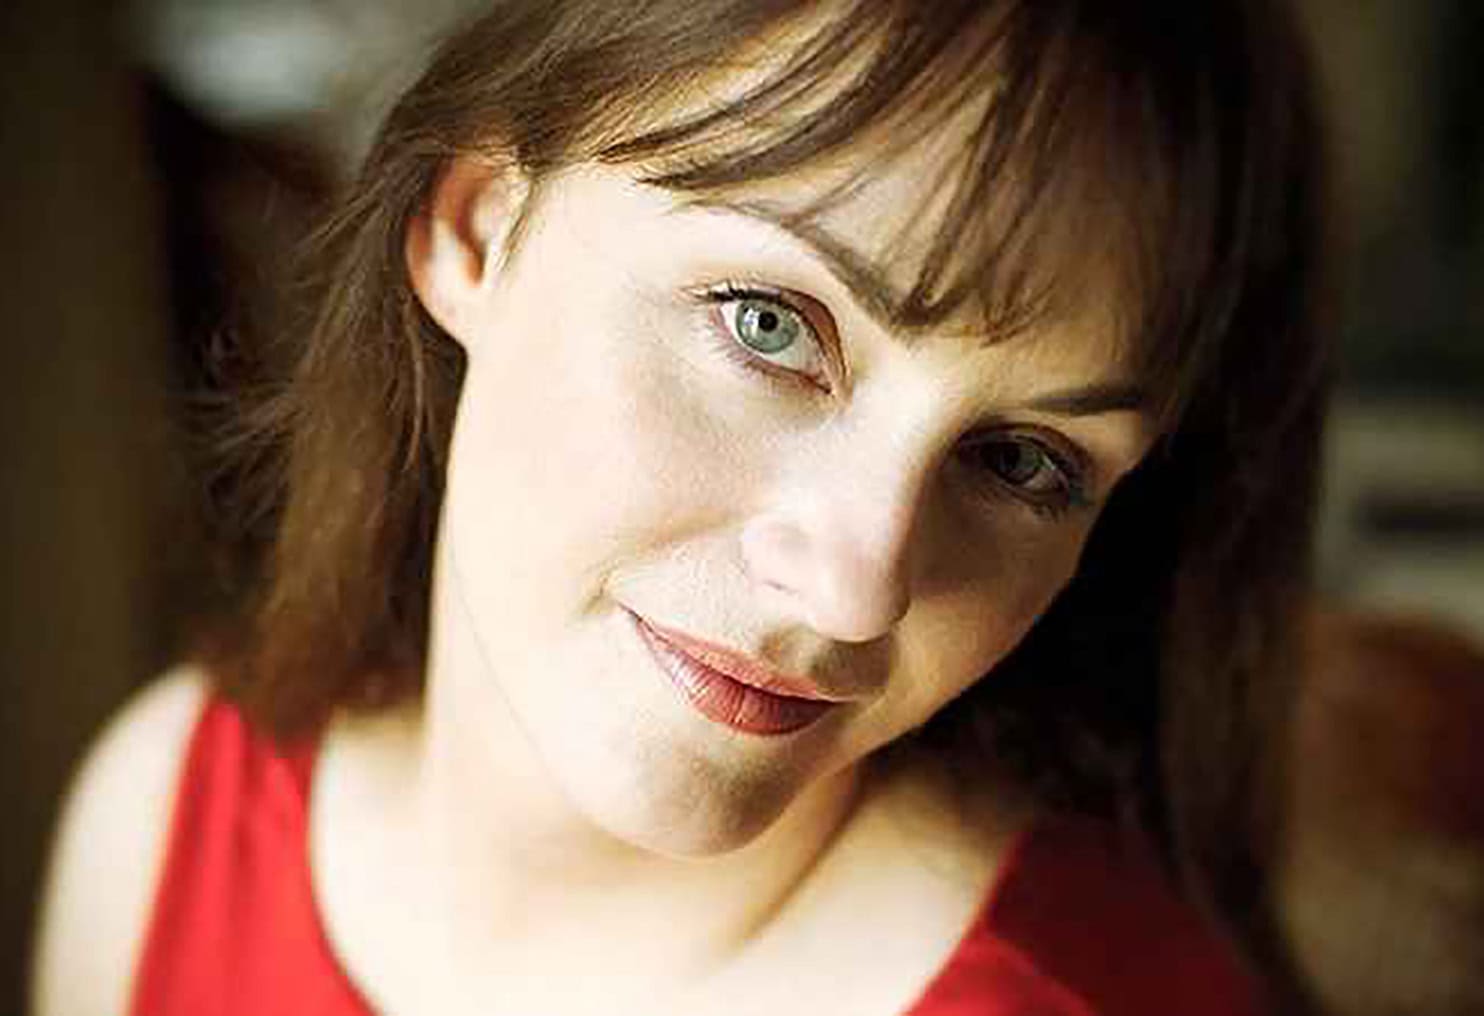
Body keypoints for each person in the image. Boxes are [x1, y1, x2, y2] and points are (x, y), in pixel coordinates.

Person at [31, 1, 1327, 1013]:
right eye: (770, 326)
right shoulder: (168, 812)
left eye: (1021, 461)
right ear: (477, 227)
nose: (857, 589)